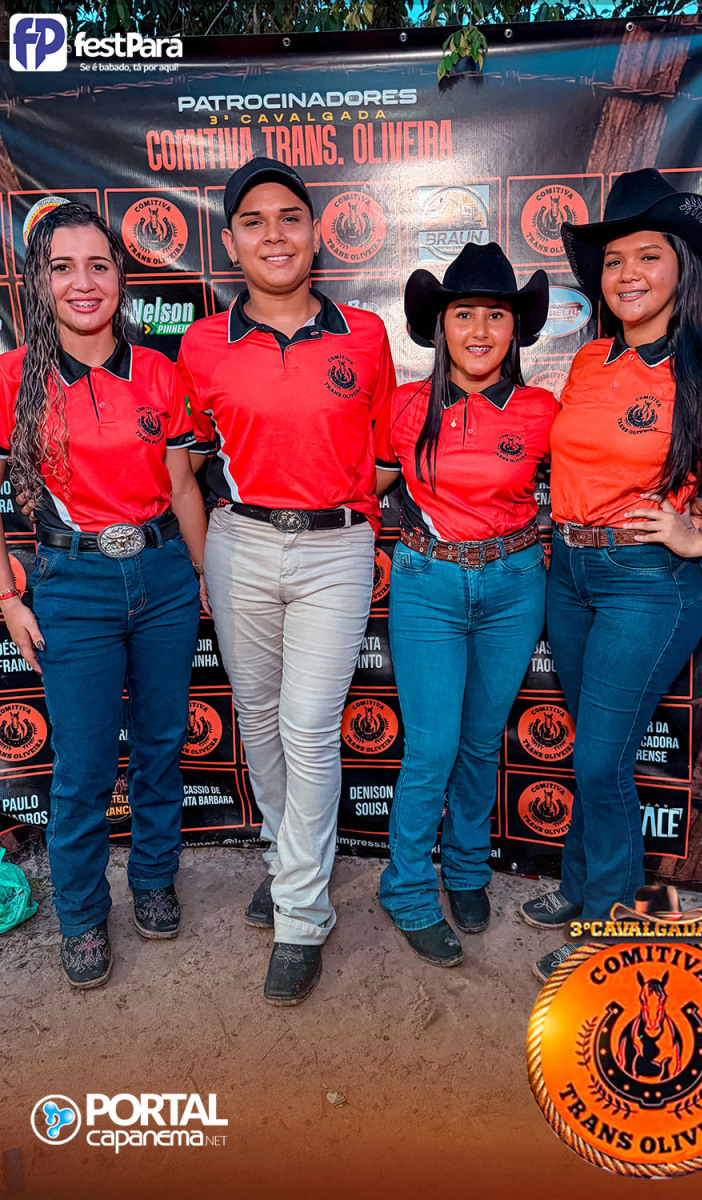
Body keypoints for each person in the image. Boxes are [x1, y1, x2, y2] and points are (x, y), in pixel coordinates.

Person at [519, 169, 702, 982]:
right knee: (593, 751)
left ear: (682, 267)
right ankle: (583, 887)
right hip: (570, 572)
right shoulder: (589, 360)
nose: (628, 274)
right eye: (613, 261)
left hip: (648, 582)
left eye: (648, 256)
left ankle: (610, 925)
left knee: (599, 761)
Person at [178, 158, 396, 1006]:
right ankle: (288, 860)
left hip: (335, 551)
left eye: (290, 217)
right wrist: (211, 555)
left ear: (315, 234)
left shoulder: (365, 335)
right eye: (254, 220)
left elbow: (384, 453)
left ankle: (302, 914)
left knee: (307, 729)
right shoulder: (203, 344)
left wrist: (339, 506)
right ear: (232, 243)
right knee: (261, 723)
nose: (275, 233)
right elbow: (186, 464)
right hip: (239, 542)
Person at [0, 201, 209, 988]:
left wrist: (203, 578)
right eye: (63, 267)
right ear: (39, 281)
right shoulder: (13, 376)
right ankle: (84, 915)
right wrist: (8, 599)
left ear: (121, 277)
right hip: (72, 585)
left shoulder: (158, 371)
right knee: (84, 767)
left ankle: (153, 879)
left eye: (98, 265)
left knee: (160, 746)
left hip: (162, 575)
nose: (82, 283)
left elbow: (183, 488)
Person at [376, 242, 554, 965]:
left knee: (482, 741)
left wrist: (688, 500)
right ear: (440, 325)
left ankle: (468, 867)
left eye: (496, 315)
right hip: (429, 585)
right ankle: (408, 887)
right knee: (433, 747)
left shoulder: (542, 410)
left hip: (515, 584)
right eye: (463, 314)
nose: (480, 330)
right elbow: (365, 484)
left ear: (516, 328)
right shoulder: (404, 406)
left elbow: (600, 479)